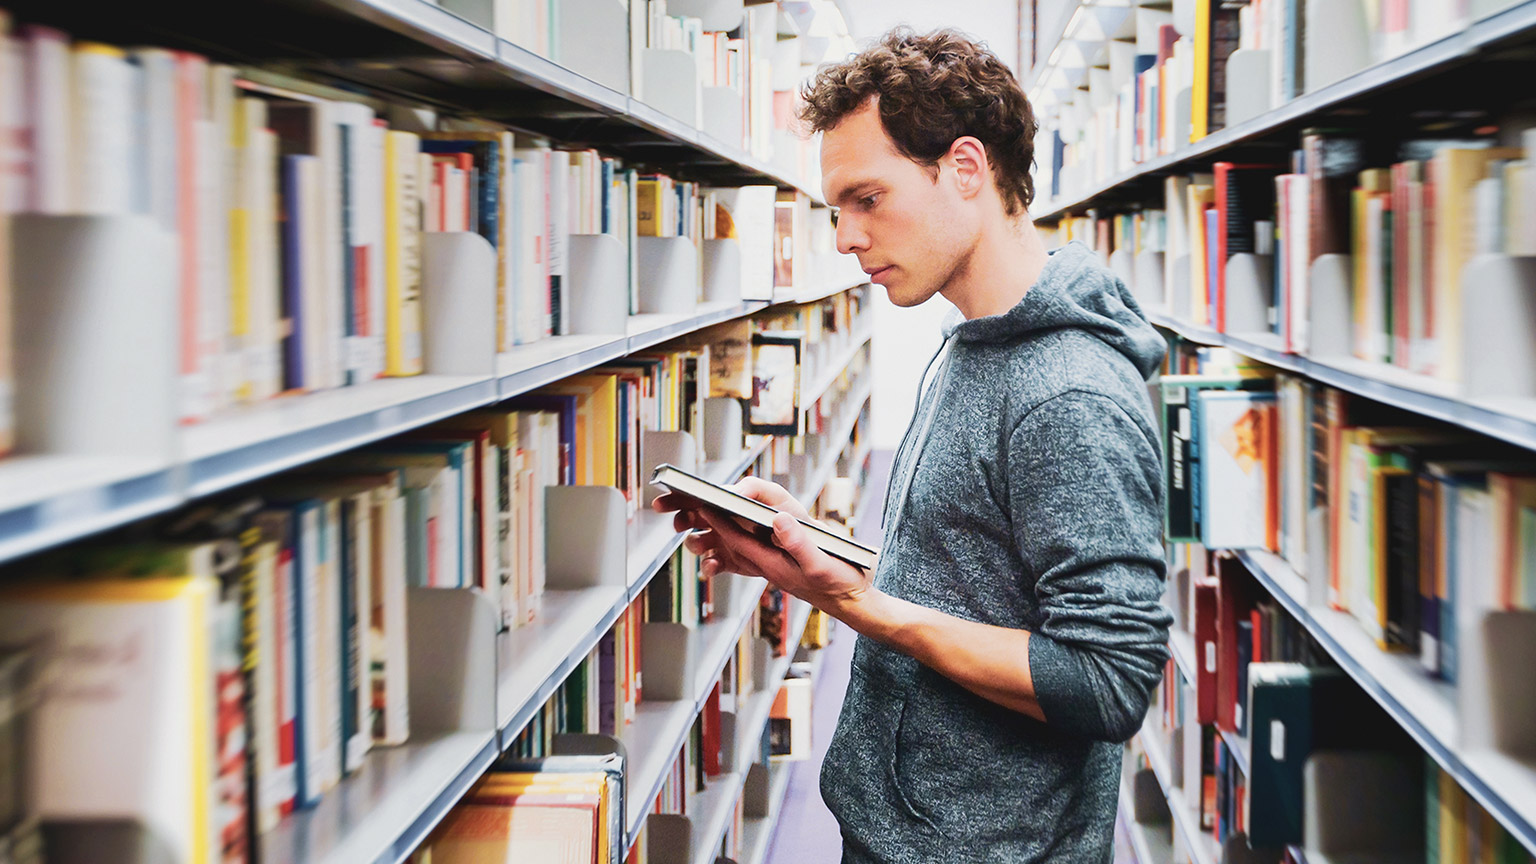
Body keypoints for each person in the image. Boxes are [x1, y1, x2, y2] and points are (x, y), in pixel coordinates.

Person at [654, 27, 1173, 863]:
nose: (844, 238)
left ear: (965, 170)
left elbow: (1106, 680)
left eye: (867, 198)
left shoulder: (1067, 393)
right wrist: (819, 560)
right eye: (835, 210)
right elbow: (974, 582)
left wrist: (862, 608)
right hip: (907, 825)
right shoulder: (972, 339)